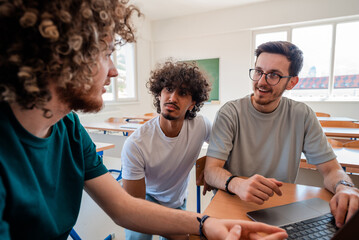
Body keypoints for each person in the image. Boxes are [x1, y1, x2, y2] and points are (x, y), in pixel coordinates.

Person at [0, 1, 288, 239]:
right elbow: (133, 204)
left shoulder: (70, 128)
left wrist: (206, 224)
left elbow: (122, 207)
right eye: (107, 54)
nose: (114, 71)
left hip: (175, 203)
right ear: (66, 54)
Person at [204, 41, 359, 229]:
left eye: (273, 75)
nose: (261, 81)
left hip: (280, 210)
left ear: (292, 82)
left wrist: (345, 187)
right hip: (232, 205)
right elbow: (211, 170)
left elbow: (331, 170)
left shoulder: (302, 115)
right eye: (259, 71)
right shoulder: (230, 112)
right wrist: (237, 184)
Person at [122, 60, 211, 240]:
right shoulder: (136, 144)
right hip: (145, 198)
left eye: (183, 93)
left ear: (193, 103)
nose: (172, 97)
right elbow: (134, 208)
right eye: (168, 89)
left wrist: (212, 168)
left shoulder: (201, 126)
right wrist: (174, 231)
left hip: (176, 201)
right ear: (159, 95)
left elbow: (225, 147)